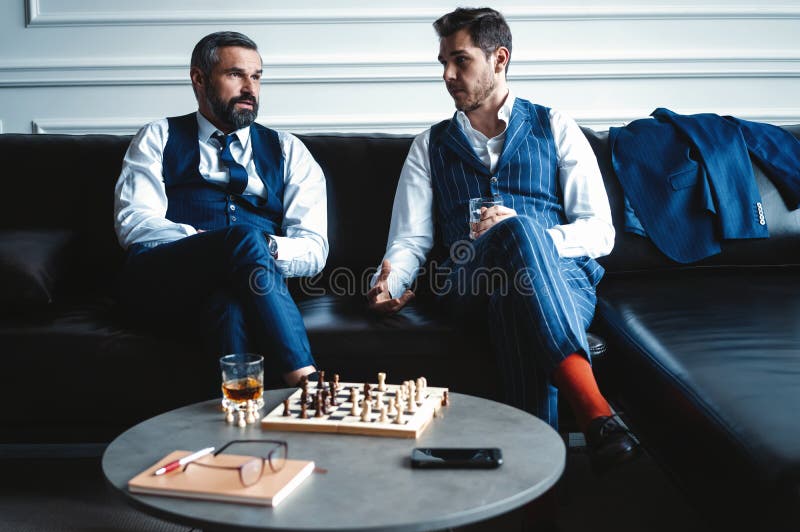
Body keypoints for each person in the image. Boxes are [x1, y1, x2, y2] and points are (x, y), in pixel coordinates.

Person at [367, 8, 637, 468]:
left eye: (461, 61)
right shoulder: (427, 147)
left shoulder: (556, 126)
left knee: (517, 296)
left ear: (499, 59)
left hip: (560, 282)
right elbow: (409, 241)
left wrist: (530, 234)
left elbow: (600, 232)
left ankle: (532, 501)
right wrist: (388, 284)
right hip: (467, 281)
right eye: (442, 63)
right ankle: (594, 409)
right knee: (519, 235)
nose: (448, 75)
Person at [114, 31, 326, 387]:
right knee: (241, 240)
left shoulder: (289, 150)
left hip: (248, 287)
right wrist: (218, 243)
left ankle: (241, 424)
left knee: (229, 305)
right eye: (235, 75)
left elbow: (314, 247)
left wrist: (259, 249)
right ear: (199, 78)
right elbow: (134, 224)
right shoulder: (157, 136)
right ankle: (306, 383)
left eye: (256, 76)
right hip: (167, 279)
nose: (250, 88)